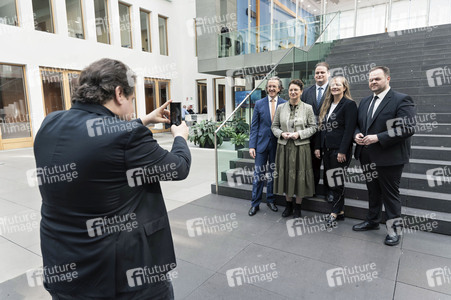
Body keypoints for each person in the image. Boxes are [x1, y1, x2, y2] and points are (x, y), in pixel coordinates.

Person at [33, 58, 191, 299]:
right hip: (121, 278)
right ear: (119, 93)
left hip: (65, 271)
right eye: (131, 100)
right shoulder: (127, 136)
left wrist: (143, 120)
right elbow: (178, 168)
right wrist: (180, 137)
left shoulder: (50, 123)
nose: (131, 108)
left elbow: (97, 141)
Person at [352, 66, 416, 246]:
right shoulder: (365, 101)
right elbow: (358, 124)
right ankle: (372, 221)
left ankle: (394, 230)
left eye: (377, 79)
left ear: (387, 79)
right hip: (367, 155)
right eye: (371, 79)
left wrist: (378, 137)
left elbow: (407, 128)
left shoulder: (401, 100)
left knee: (390, 194)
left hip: (390, 158)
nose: (373, 82)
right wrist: (356, 134)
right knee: (373, 191)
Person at [314, 76, 357, 227]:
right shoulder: (328, 104)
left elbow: (349, 129)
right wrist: (318, 147)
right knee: (332, 180)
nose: (335, 87)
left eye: (338, 85)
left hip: (339, 151)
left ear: (344, 87)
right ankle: (341, 211)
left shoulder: (349, 105)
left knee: (336, 182)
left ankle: (334, 213)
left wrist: (342, 150)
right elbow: (321, 128)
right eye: (332, 85)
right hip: (326, 150)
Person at [271, 79, 316, 218]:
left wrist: (299, 134)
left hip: (301, 148)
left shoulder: (308, 108)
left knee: (300, 177)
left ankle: (298, 207)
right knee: (285, 176)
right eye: (291, 90)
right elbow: (274, 126)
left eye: (296, 89)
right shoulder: (280, 108)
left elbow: (313, 127)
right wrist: (281, 134)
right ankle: (288, 205)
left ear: (301, 91)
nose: (293, 92)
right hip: (284, 147)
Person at [248, 77, 286, 216]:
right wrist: (252, 146)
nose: (271, 89)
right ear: (266, 88)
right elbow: (254, 127)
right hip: (261, 145)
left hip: (277, 145)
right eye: (269, 86)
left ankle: (270, 200)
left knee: (273, 175)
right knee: (258, 175)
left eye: (274, 86)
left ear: (279, 88)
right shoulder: (258, 103)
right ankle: (255, 204)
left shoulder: (284, 104)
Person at [301, 62, 330, 200]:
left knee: (329, 166)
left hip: (329, 135)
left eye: (322, 72)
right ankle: (311, 189)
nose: (319, 75)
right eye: (317, 73)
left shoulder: (335, 89)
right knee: (312, 166)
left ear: (328, 74)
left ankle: (328, 192)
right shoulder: (307, 92)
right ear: (314, 75)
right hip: (311, 136)